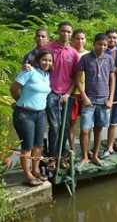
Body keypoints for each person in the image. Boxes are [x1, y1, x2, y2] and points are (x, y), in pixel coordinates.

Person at [11, 49, 53, 186]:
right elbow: (14, 88)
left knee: (38, 145)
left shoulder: (46, 75)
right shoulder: (29, 71)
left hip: (40, 114)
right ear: (38, 60)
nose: (47, 63)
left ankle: (35, 171)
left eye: (50, 60)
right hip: (24, 114)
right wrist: (19, 102)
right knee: (27, 146)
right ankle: (28, 175)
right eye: (44, 60)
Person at [43, 21, 80, 171]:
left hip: (67, 94)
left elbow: (75, 77)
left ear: (71, 35)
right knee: (54, 126)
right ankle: (52, 158)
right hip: (50, 92)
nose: (66, 34)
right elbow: (39, 68)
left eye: (69, 32)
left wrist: (68, 93)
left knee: (65, 126)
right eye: (63, 31)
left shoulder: (73, 53)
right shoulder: (48, 48)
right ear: (58, 31)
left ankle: (62, 156)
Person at [75, 33, 115, 167]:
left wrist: (110, 99)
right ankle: (85, 156)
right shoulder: (85, 58)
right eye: (100, 44)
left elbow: (112, 80)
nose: (102, 47)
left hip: (104, 100)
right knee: (85, 129)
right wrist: (84, 97)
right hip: (89, 99)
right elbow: (78, 80)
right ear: (94, 44)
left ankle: (95, 156)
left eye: (105, 45)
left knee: (99, 128)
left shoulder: (109, 59)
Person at [68, 29, 90, 156]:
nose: (80, 41)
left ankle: (86, 149)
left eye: (82, 38)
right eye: (77, 38)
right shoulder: (70, 54)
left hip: (87, 93)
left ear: (86, 40)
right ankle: (72, 148)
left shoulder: (89, 54)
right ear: (73, 39)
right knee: (71, 123)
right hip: (72, 93)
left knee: (87, 125)